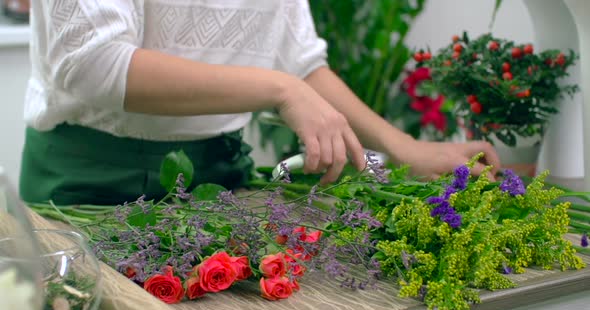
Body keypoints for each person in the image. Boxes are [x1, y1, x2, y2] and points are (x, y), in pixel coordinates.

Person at [19, 1, 500, 205]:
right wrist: (281, 90)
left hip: (221, 184)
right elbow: (89, 62)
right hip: (88, 185)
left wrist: (406, 148)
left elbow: (302, 63)